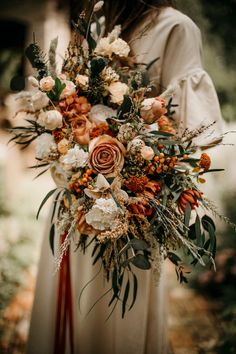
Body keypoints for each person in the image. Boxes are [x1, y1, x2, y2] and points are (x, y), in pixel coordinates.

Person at [26, 1, 223, 354]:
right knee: (72, 311)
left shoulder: (176, 28)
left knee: (117, 320)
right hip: (75, 201)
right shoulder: (99, 22)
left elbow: (190, 136)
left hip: (130, 213)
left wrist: (129, 155)